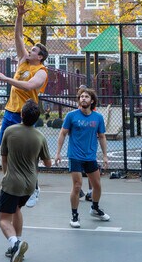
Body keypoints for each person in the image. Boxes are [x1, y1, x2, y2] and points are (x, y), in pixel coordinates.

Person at [0, 0, 49, 208]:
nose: (30, 51)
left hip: (25, 116)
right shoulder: (23, 61)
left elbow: (28, 87)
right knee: (5, 151)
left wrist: (7, 79)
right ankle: (7, 182)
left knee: (29, 157)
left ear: (40, 56)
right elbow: (18, 36)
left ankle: (34, 187)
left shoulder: (42, 71)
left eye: (34, 50)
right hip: (10, 112)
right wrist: (19, 16)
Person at [0, 99, 52, 262]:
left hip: (12, 183)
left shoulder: (10, 131)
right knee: (16, 210)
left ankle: (15, 243)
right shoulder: (40, 137)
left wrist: (6, 176)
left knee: (3, 219)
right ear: (37, 118)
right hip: (30, 185)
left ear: (21, 114)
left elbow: (4, 158)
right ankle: (17, 244)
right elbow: (48, 164)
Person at [55, 87, 110, 228]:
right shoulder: (71, 116)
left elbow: (102, 137)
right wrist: (58, 152)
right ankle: (74, 216)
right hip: (75, 156)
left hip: (90, 156)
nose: (83, 98)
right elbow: (62, 133)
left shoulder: (98, 118)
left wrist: (105, 156)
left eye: (86, 97)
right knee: (77, 185)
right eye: (81, 96)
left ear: (92, 101)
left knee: (97, 186)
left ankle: (95, 208)